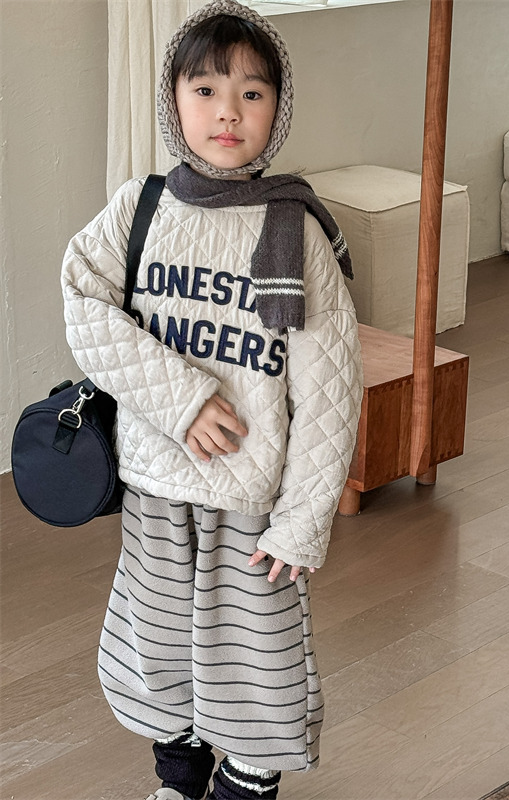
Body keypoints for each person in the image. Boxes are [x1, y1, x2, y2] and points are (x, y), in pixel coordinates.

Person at [61, 1, 363, 798]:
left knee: (258, 660)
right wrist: (182, 402)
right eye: (206, 90)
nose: (228, 111)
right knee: (156, 647)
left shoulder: (297, 230)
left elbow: (331, 393)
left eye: (252, 93)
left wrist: (303, 519)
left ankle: (249, 780)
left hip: (254, 503)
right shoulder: (140, 208)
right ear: (174, 102)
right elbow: (82, 303)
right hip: (156, 484)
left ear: (278, 110)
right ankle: (178, 776)